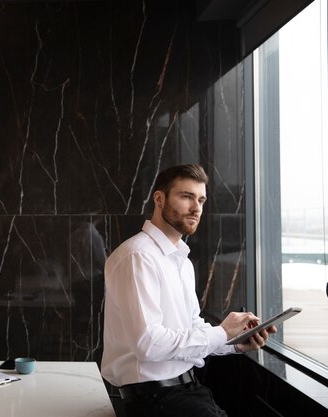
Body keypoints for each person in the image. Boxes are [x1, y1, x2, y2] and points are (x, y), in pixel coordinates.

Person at [101, 164, 276, 417]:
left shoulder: (181, 260)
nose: (196, 208)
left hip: (186, 390)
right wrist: (221, 332)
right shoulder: (138, 256)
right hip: (154, 399)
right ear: (159, 199)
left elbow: (191, 326)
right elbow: (148, 343)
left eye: (201, 200)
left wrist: (234, 342)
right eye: (186, 197)